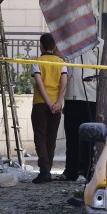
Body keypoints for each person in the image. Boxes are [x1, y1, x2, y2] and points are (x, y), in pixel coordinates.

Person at [60, 40, 101, 182]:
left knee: (88, 137)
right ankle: (71, 170)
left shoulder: (99, 45)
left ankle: (87, 169)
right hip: (71, 96)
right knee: (71, 136)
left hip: (90, 96)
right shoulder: (69, 45)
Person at [30, 33, 68, 184]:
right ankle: (49, 169)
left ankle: (44, 171)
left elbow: (39, 83)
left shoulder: (37, 61)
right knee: (51, 138)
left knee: (40, 137)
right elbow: (64, 83)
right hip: (56, 106)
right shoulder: (61, 62)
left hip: (40, 104)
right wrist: (58, 102)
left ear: (41, 45)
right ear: (55, 46)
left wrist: (47, 102)